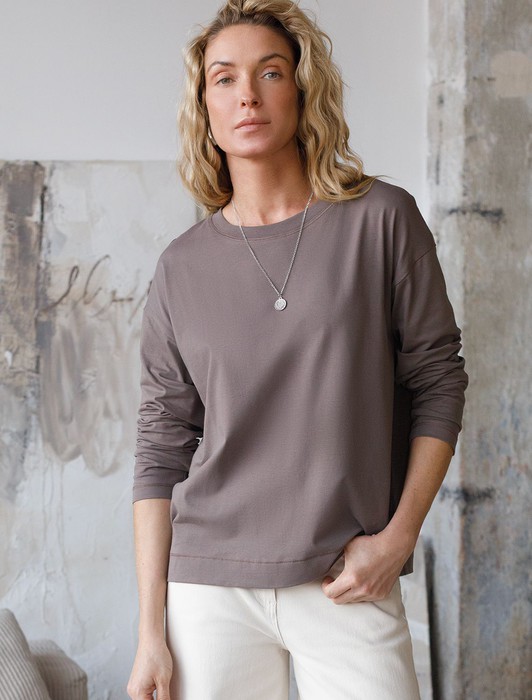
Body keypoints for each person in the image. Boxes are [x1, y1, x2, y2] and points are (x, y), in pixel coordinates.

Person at [127, 1, 468, 698]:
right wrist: (150, 632)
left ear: (303, 89)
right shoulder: (181, 267)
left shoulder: (381, 220)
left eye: (270, 72)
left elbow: (439, 381)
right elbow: (161, 447)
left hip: (346, 575)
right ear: (204, 105)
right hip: (209, 589)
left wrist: (400, 537)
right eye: (224, 78)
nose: (247, 95)